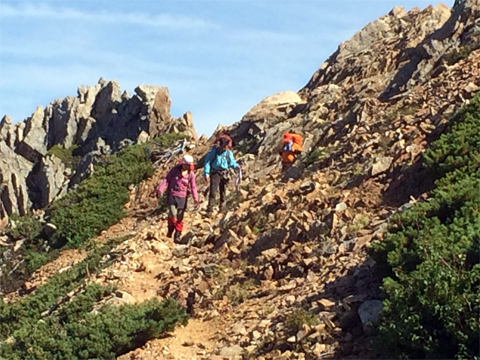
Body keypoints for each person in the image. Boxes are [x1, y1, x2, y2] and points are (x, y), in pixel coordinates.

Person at [157, 154, 199, 241]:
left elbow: (193, 187)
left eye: (188, 165)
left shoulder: (191, 174)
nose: (187, 166)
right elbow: (166, 179)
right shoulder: (174, 170)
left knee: (180, 217)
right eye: (185, 165)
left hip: (182, 197)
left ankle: (177, 235)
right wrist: (160, 189)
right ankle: (171, 229)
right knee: (173, 213)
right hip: (172, 194)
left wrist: (196, 199)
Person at [204, 136, 240, 215]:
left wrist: (236, 166)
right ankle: (210, 209)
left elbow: (231, 162)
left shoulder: (228, 153)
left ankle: (222, 207)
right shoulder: (214, 151)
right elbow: (207, 162)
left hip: (224, 173)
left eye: (225, 146)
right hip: (215, 172)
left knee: (223, 191)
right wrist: (206, 174)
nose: (223, 148)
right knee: (213, 190)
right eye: (222, 146)